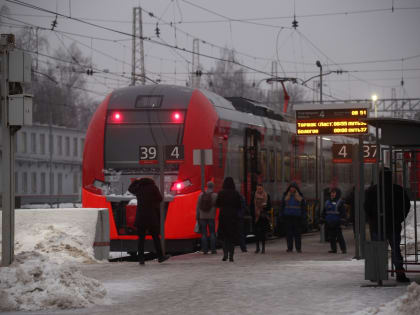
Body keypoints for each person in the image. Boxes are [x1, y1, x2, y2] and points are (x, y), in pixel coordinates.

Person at [364, 167, 411, 283]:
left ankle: (377, 274)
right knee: (396, 250)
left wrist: (372, 219)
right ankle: (400, 273)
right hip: (393, 226)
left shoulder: (372, 190)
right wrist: (399, 218)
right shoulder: (398, 190)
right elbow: (406, 206)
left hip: (377, 226)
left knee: (377, 249)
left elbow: (366, 207)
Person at [128, 178, 170, 265]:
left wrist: (136, 181)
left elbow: (130, 189)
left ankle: (141, 259)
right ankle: (160, 257)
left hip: (141, 217)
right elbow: (160, 198)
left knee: (141, 239)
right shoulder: (153, 187)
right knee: (155, 237)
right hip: (151, 216)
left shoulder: (139, 188)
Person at [216, 177, 242, 262]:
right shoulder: (236, 193)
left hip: (223, 216)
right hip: (233, 217)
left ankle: (225, 255)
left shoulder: (221, 193)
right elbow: (239, 205)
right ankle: (231, 256)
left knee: (224, 237)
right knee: (231, 237)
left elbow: (217, 204)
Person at [280, 182, 306, 253]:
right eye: (291, 187)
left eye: (293, 187)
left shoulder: (300, 196)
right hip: (288, 217)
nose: (292, 189)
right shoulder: (285, 196)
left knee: (297, 234)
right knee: (289, 234)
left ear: (296, 188)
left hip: (297, 217)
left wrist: (303, 217)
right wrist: (281, 215)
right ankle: (289, 248)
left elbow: (303, 208)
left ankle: (298, 248)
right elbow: (282, 206)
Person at [323, 188, 347, 254]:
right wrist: (322, 219)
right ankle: (334, 249)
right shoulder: (327, 202)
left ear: (337, 194)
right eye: (331, 193)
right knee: (331, 237)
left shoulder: (340, 202)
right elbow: (325, 212)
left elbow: (343, 213)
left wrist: (342, 222)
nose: (332, 194)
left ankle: (343, 249)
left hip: (337, 222)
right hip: (330, 222)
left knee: (339, 236)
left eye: (334, 193)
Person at [196, 181, 218, 254]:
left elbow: (198, 207)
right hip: (211, 216)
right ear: (213, 186)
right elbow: (217, 205)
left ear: (207, 186)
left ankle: (205, 250)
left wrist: (197, 216)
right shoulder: (215, 195)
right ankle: (213, 249)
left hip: (202, 216)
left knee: (204, 234)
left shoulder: (201, 195)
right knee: (212, 233)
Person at [253, 183, 271, 254]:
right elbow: (252, 205)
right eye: (258, 188)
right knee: (256, 233)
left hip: (263, 216)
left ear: (262, 188)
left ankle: (263, 248)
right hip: (257, 216)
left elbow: (269, 206)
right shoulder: (254, 196)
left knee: (263, 233)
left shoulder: (266, 195)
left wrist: (264, 207)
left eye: (260, 188)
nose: (259, 190)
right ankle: (257, 248)